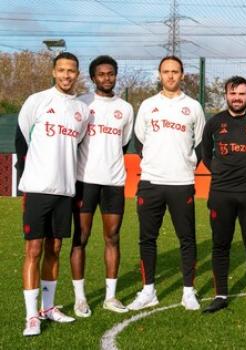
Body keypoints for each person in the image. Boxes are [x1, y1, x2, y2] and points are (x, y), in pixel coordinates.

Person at [17, 52, 90, 336]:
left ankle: (48, 308)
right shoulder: (36, 101)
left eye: (71, 71)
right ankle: (31, 315)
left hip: (65, 190)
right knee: (33, 250)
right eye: (61, 70)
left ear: (77, 73)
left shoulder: (82, 111)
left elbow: (80, 140)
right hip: (37, 188)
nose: (66, 75)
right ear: (53, 72)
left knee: (55, 249)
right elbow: (24, 135)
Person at [127, 56, 206, 311]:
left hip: (181, 182)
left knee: (187, 238)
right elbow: (140, 141)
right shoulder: (148, 105)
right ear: (159, 74)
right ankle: (148, 290)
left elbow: (201, 143)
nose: (170, 76)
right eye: (165, 71)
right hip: (151, 181)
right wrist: (153, 162)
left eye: (175, 71)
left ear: (183, 75)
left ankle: (188, 291)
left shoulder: (193, 107)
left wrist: (187, 163)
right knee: (147, 238)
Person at [69, 55, 134, 317]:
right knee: (80, 238)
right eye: (101, 74)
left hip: (114, 182)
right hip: (84, 181)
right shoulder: (82, 103)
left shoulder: (126, 108)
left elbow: (123, 142)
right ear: (93, 77)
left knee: (113, 237)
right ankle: (80, 299)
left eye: (111, 73)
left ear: (115, 75)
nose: (106, 78)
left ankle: (110, 297)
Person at [200, 76, 246, 314]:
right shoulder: (214, 123)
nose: (237, 98)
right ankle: (220, 295)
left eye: (241, 94)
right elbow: (205, 153)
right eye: (232, 93)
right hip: (221, 193)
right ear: (226, 96)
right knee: (221, 246)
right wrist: (220, 172)